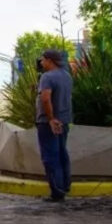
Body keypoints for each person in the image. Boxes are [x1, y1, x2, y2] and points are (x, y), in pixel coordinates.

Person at [36, 49, 73, 202]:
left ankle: (57, 192)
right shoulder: (66, 76)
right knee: (61, 154)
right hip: (64, 121)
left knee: (50, 157)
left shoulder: (47, 77)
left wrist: (51, 119)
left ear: (50, 60)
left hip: (48, 123)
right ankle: (64, 185)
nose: (41, 63)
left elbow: (46, 99)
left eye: (43, 60)